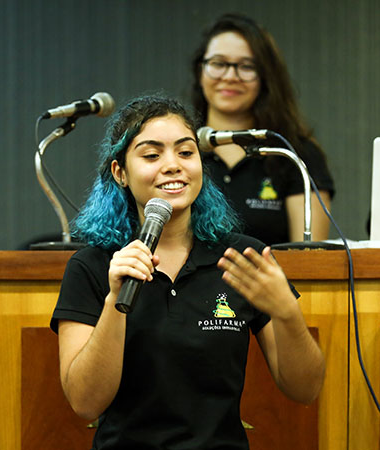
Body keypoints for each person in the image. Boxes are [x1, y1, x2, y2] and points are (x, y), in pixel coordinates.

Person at [50, 94, 325, 449]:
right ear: (120, 172)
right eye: (151, 155)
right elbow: (85, 403)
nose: (173, 165)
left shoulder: (242, 256)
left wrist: (287, 312)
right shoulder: (92, 266)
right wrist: (114, 300)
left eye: (185, 152)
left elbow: (306, 389)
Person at [189, 13, 335, 245]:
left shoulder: (293, 153)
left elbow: (309, 266)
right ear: (200, 71)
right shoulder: (178, 150)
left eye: (246, 67)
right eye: (218, 63)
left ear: (265, 77)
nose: (230, 76)